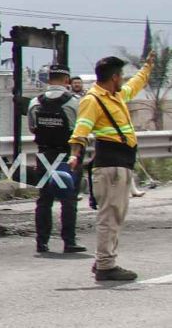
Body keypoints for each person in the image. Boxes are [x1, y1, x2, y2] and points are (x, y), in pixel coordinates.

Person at [68, 51, 156, 281]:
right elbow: (82, 128)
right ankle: (106, 265)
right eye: (122, 76)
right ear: (115, 77)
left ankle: (104, 261)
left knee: (115, 215)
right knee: (110, 216)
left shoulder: (114, 96)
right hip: (110, 166)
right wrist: (74, 154)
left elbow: (134, 86)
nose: (125, 81)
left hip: (120, 164)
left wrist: (146, 69)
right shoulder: (93, 99)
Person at [27, 64, 87, 254]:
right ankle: (69, 241)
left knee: (44, 199)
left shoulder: (35, 102)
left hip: (44, 154)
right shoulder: (74, 102)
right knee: (68, 199)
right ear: (67, 80)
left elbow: (32, 128)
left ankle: (41, 242)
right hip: (67, 155)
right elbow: (80, 130)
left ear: (48, 79)